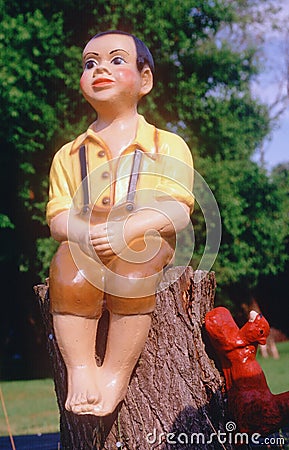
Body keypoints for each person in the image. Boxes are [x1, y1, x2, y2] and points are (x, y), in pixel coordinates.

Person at [47, 30, 194, 417]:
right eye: (90, 63)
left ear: (144, 80)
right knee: (67, 273)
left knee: (133, 274)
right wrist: (84, 233)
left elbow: (178, 211)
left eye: (116, 60)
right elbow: (59, 216)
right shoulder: (69, 154)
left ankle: (115, 373)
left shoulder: (167, 145)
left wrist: (126, 230)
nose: (100, 70)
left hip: (143, 235)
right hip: (86, 239)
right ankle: (81, 368)